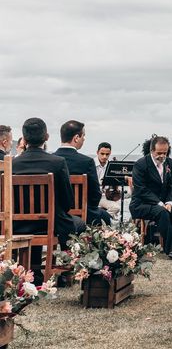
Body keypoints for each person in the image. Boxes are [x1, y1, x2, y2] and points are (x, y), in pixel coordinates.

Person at [12, 117, 86, 284]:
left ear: (23, 139)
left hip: (18, 225)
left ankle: (34, 272)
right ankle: (67, 273)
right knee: (79, 223)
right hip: (51, 224)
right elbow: (68, 202)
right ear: (46, 137)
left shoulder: (13, 164)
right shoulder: (57, 162)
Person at [130, 135, 172, 261]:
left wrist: (169, 202)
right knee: (163, 213)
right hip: (141, 204)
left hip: (163, 203)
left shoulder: (170, 163)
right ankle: (171, 249)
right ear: (152, 150)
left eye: (165, 153)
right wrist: (160, 203)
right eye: (159, 153)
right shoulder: (140, 164)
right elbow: (141, 189)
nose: (162, 156)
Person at [53, 120, 111, 225]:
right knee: (106, 217)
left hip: (56, 215)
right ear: (76, 138)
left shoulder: (51, 160)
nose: (84, 139)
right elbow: (95, 194)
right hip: (83, 215)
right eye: (83, 135)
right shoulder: (87, 162)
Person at [95, 142, 120, 219]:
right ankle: (103, 220)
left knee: (116, 207)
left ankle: (101, 220)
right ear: (97, 152)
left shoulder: (111, 165)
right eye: (102, 154)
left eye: (107, 154)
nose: (104, 156)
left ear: (110, 154)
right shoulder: (90, 163)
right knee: (115, 208)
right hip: (94, 196)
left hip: (106, 196)